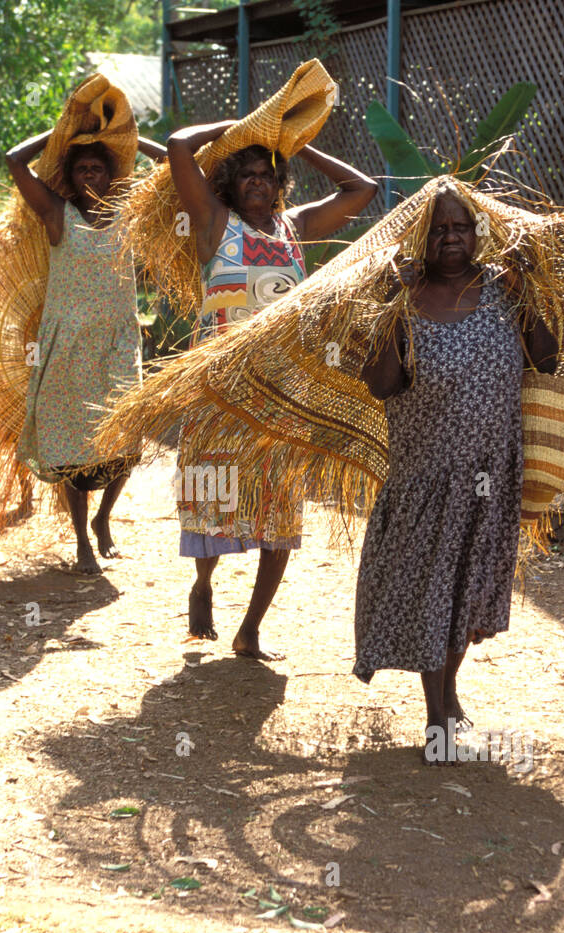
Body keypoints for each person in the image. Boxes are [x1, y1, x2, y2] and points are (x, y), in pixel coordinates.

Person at [356, 189, 558, 765]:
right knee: (433, 593)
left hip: (491, 477)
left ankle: (447, 694)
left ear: (477, 234)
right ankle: (436, 716)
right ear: (422, 237)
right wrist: (389, 305)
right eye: (439, 228)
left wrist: (530, 294)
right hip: (427, 478)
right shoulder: (406, 299)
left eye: (461, 226)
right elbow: (381, 384)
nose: (450, 236)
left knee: (468, 594)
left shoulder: (503, 291)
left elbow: (544, 359)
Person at [166, 122, 377, 658]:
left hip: (284, 393)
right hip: (221, 390)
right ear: (230, 184)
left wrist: (297, 144)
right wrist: (235, 131)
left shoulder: (296, 226)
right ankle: (203, 583)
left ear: (280, 181)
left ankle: (250, 629)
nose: (258, 182)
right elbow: (177, 146)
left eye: (267, 174)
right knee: (213, 497)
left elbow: (364, 189)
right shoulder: (215, 224)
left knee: (281, 514)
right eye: (247, 175)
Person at [8, 131, 167, 573]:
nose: (91, 174)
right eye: (82, 168)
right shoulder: (57, 213)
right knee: (72, 446)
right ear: (71, 178)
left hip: (118, 342)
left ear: (113, 174)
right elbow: (15, 161)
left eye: (99, 166)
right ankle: (81, 540)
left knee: (126, 441)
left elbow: (173, 163)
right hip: (67, 346)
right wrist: (61, 133)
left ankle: (103, 519)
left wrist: (127, 138)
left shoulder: (129, 214)